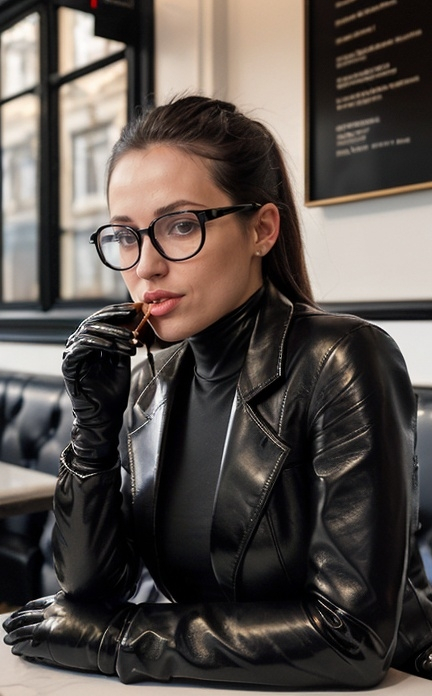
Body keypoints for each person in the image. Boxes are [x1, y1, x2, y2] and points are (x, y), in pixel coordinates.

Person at [3, 95, 432, 688]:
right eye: (125, 236)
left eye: (180, 226)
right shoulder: (154, 380)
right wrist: (92, 432)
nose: (145, 266)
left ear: (261, 228)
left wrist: (118, 641)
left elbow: (350, 635)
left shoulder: (342, 359)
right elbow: (92, 590)